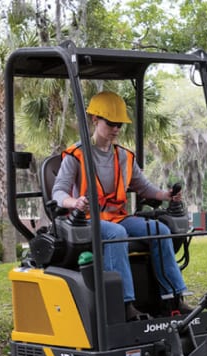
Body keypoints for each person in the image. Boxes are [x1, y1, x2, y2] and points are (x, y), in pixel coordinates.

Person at [51, 90, 192, 320]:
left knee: (160, 230)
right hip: (87, 221)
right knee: (117, 234)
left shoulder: (125, 156)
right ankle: (125, 305)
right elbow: (58, 193)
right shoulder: (75, 155)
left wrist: (166, 195)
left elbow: (144, 188)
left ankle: (173, 299)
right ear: (95, 120)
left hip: (118, 216)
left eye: (120, 125)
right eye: (112, 123)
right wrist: (74, 202)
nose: (116, 129)